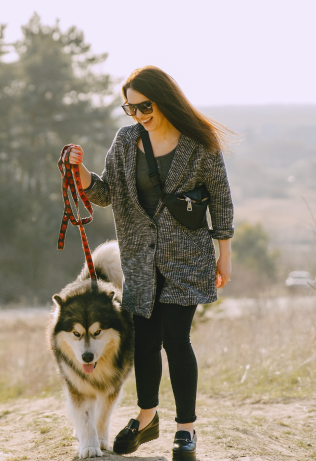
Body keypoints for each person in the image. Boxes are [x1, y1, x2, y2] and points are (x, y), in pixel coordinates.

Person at [67, 66, 233, 461]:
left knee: (177, 340)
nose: (139, 115)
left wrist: (223, 255)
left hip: (187, 260)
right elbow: (106, 192)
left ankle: (186, 431)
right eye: (130, 109)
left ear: (164, 99)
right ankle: (146, 417)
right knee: (144, 343)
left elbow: (221, 201)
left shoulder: (200, 144)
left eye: (145, 106)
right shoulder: (126, 141)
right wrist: (82, 174)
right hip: (139, 262)